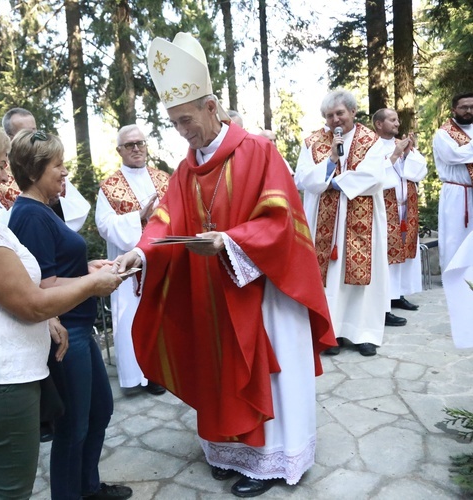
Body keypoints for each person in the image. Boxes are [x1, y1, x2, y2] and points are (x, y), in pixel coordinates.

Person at [114, 33, 335, 498]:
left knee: (269, 373)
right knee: (216, 367)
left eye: (187, 120)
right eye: (174, 124)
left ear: (212, 107)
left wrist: (231, 241)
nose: (183, 132)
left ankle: (272, 462)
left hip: (262, 291)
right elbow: (163, 220)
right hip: (211, 293)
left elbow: (281, 220)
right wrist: (139, 253)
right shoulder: (184, 168)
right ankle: (226, 450)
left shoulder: (257, 151)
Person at [0, 116, 122, 500]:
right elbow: (32, 302)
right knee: (12, 489)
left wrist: (61, 300)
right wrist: (93, 284)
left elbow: (17, 290)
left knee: (5, 485)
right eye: (0, 165)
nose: (6, 176)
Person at [8, 130, 133, 500]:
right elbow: (41, 287)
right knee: (73, 426)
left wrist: (86, 270)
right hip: (65, 332)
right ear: (34, 172)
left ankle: (88, 488)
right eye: (57, 166)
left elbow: (53, 270)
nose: (65, 172)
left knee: (99, 411)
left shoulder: (43, 210)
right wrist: (93, 283)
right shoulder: (30, 216)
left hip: (79, 326)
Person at [295, 88, 389, 357]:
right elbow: (302, 178)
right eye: (329, 115)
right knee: (328, 279)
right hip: (323, 220)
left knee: (361, 279)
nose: (335, 120)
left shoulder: (371, 140)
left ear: (352, 112)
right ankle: (331, 333)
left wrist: (334, 183)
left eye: (340, 113)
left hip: (362, 217)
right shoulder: (312, 141)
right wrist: (331, 162)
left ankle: (364, 334)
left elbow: (375, 176)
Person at [95, 124, 169, 395]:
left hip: (162, 261)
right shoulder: (110, 186)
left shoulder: (163, 179)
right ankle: (140, 375)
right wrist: (137, 217)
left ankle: (164, 371)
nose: (136, 148)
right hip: (130, 267)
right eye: (130, 145)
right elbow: (103, 224)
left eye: (140, 143)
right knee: (132, 318)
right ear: (119, 151)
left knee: (164, 316)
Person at [0, 107, 91, 231]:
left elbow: (79, 208)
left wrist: (55, 204)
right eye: (25, 133)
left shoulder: (50, 165)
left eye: (34, 131)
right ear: (10, 138)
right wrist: (31, 207)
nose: (34, 137)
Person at [372, 108, 428, 326]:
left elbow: (416, 172)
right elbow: (376, 173)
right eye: (392, 120)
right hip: (385, 207)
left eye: (397, 120)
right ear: (378, 124)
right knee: (386, 255)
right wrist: (395, 155)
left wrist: (408, 153)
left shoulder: (402, 143)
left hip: (406, 206)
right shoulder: (371, 146)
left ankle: (397, 294)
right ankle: (383, 302)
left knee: (403, 252)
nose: (397, 123)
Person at [432, 92, 473, 272]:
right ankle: (453, 275)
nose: (469, 111)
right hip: (457, 193)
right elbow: (453, 156)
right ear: (454, 109)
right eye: (464, 107)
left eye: (472, 107)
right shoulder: (444, 133)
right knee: (455, 237)